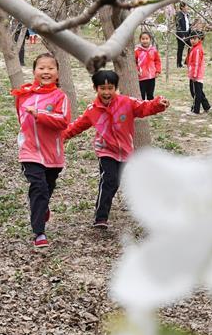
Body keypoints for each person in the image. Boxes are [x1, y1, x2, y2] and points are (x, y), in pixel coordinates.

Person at [63, 70, 170, 229]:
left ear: (116, 88)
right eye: (102, 88)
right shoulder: (93, 110)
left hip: (125, 151)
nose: (107, 92)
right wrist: (61, 137)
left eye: (110, 88)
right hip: (105, 150)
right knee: (108, 179)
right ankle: (101, 217)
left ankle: (106, 203)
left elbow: (144, 107)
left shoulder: (127, 102)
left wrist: (158, 103)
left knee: (115, 182)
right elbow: (78, 126)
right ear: (95, 88)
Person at [12, 54, 70, 249]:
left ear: (57, 73)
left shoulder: (60, 96)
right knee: (38, 187)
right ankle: (39, 232)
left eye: (50, 68)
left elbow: (63, 121)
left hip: (52, 154)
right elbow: (21, 118)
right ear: (34, 71)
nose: (46, 72)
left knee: (47, 187)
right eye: (41, 68)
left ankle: (42, 206)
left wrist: (40, 115)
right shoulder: (24, 95)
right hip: (29, 151)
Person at [187, 31, 211, 114]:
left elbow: (196, 63)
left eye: (194, 38)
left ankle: (195, 110)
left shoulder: (197, 50)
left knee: (195, 93)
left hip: (196, 75)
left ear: (199, 39)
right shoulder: (194, 48)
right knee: (199, 92)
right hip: (195, 74)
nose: (192, 40)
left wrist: (194, 75)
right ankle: (206, 106)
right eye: (191, 38)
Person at [135, 30, 162, 100]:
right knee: (141, 95)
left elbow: (157, 61)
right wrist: (136, 71)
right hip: (141, 77)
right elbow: (134, 62)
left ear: (150, 39)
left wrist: (157, 71)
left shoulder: (153, 50)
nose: (145, 41)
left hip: (151, 77)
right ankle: (142, 109)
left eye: (147, 39)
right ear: (140, 40)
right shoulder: (137, 51)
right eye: (143, 39)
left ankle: (150, 109)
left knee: (150, 94)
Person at [175, 3, 191, 68]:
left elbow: (187, 25)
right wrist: (182, 36)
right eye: (186, 7)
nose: (187, 8)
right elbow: (178, 26)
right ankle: (179, 64)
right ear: (182, 7)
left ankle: (187, 61)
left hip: (187, 34)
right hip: (181, 34)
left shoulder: (187, 15)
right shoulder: (178, 15)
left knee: (191, 47)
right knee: (180, 49)